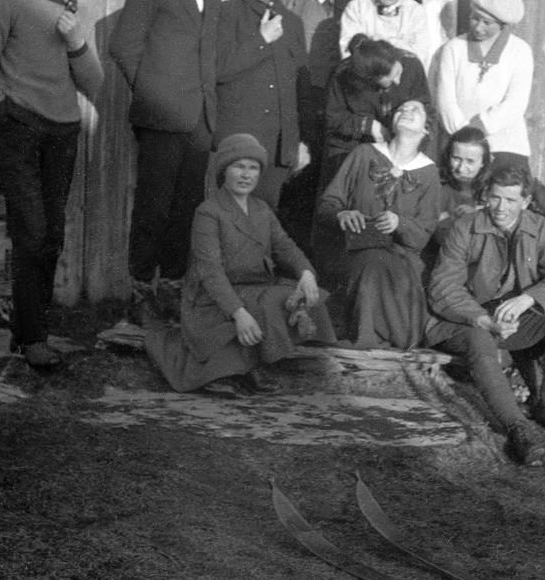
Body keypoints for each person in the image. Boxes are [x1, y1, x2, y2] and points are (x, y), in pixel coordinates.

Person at [0, 0, 104, 371]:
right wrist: (3, 111)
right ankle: (35, 338)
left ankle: (25, 329)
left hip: (63, 133)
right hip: (19, 129)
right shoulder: (12, 3)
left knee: (52, 235)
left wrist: (77, 41)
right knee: (33, 232)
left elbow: (95, 84)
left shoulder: (73, 13)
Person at [144, 133, 336, 397]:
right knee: (265, 306)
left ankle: (255, 362)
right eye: (239, 166)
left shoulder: (262, 209)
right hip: (213, 298)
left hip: (254, 287)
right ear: (225, 170)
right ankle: (243, 368)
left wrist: (306, 273)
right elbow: (210, 271)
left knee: (291, 297)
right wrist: (239, 313)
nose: (246, 175)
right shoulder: (209, 212)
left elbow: (285, 247)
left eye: (253, 168)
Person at [426, 164, 545, 466]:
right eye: (496, 198)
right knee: (479, 338)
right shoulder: (466, 227)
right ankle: (517, 429)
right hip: (466, 320)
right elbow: (443, 287)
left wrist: (529, 299)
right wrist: (481, 318)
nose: (501, 208)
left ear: (525, 202)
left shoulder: (538, 227)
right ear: (486, 195)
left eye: (511, 201)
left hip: (515, 319)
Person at [110, 0, 222, 325]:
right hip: (161, 117)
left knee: (187, 208)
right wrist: (156, 93)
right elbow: (123, 47)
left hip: (198, 119)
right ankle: (140, 292)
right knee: (153, 207)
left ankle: (172, 289)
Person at [318, 100, 441, 349]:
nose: (405, 111)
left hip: (400, 256)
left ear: (426, 129)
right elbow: (328, 204)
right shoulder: (363, 154)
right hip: (351, 248)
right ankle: (367, 336)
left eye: (414, 111)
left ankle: (376, 336)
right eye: (401, 109)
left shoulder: (429, 173)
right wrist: (342, 214)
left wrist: (400, 223)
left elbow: (425, 231)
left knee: (377, 262)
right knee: (370, 260)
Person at [214, 0, 309, 208]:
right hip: (237, 145)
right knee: (230, 222)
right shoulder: (225, 14)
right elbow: (217, 70)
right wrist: (261, 40)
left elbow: (299, 88)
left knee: (265, 225)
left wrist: (299, 142)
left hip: (278, 150)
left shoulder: (292, 23)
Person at [281, 0, 360, 245]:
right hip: (303, 104)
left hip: (343, 106)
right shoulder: (289, 3)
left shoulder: (358, 5)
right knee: (301, 179)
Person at [436, 0, 534, 172]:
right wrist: (465, 139)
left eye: (487, 23)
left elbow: (515, 104)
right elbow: (445, 101)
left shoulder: (519, 51)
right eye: (475, 18)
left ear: (502, 24)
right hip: (461, 147)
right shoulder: (454, 48)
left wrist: (480, 129)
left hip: (505, 146)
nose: (478, 27)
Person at [321, 34, 431, 192]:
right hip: (351, 146)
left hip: (399, 145)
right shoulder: (342, 74)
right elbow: (333, 120)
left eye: (398, 72)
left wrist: (412, 113)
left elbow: (426, 107)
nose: (398, 82)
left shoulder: (411, 63)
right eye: (390, 79)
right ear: (369, 81)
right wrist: (368, 126)